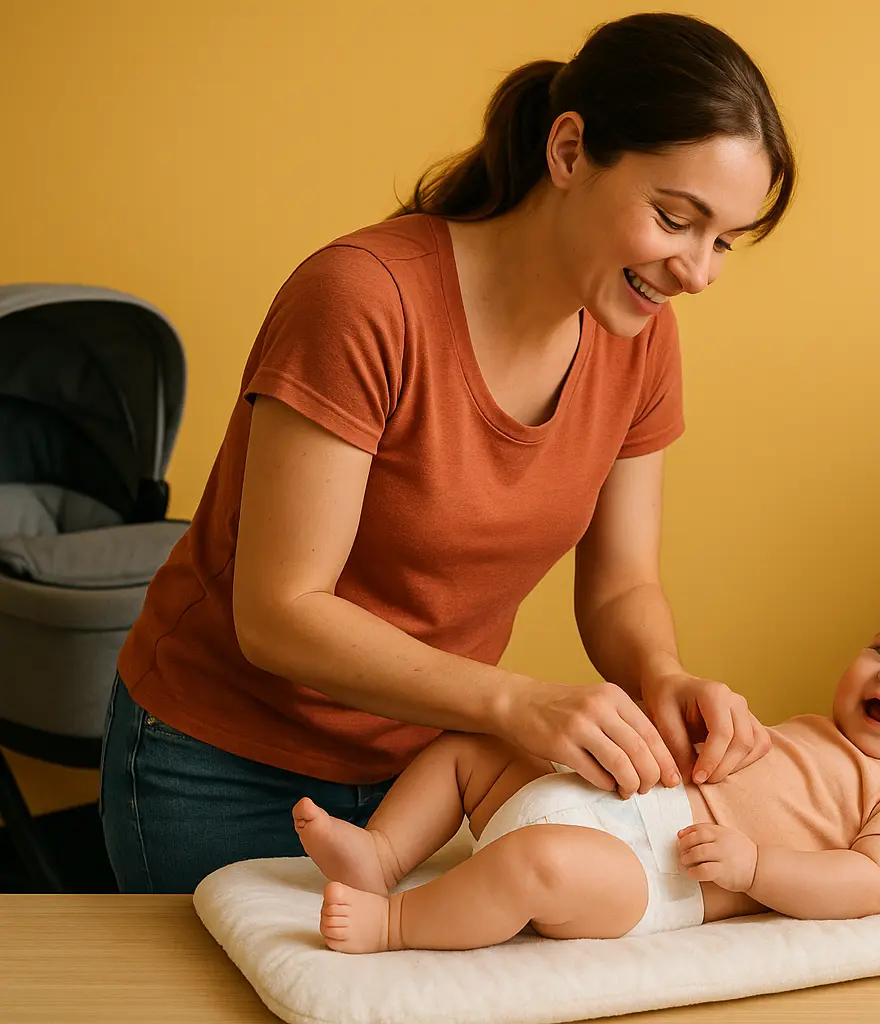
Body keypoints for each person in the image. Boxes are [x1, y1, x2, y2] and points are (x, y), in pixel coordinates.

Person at [98, 12, 796, 894]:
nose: (696, 273)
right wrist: (515, 704)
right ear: (569, 151)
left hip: (423, 778)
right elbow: (279, 612)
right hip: (221, 765)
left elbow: (621, 586)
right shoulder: (364, 298)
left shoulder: (639, 334)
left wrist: (662, 677)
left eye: (723, 241)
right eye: (674, 219)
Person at [291, 593, 880, 952]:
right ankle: (382, 853)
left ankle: (395, 925)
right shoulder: (816, 731)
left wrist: (757, 868)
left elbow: (873, 883)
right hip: (611, 802)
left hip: (650, 876)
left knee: (539, 863)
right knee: (472, 747)